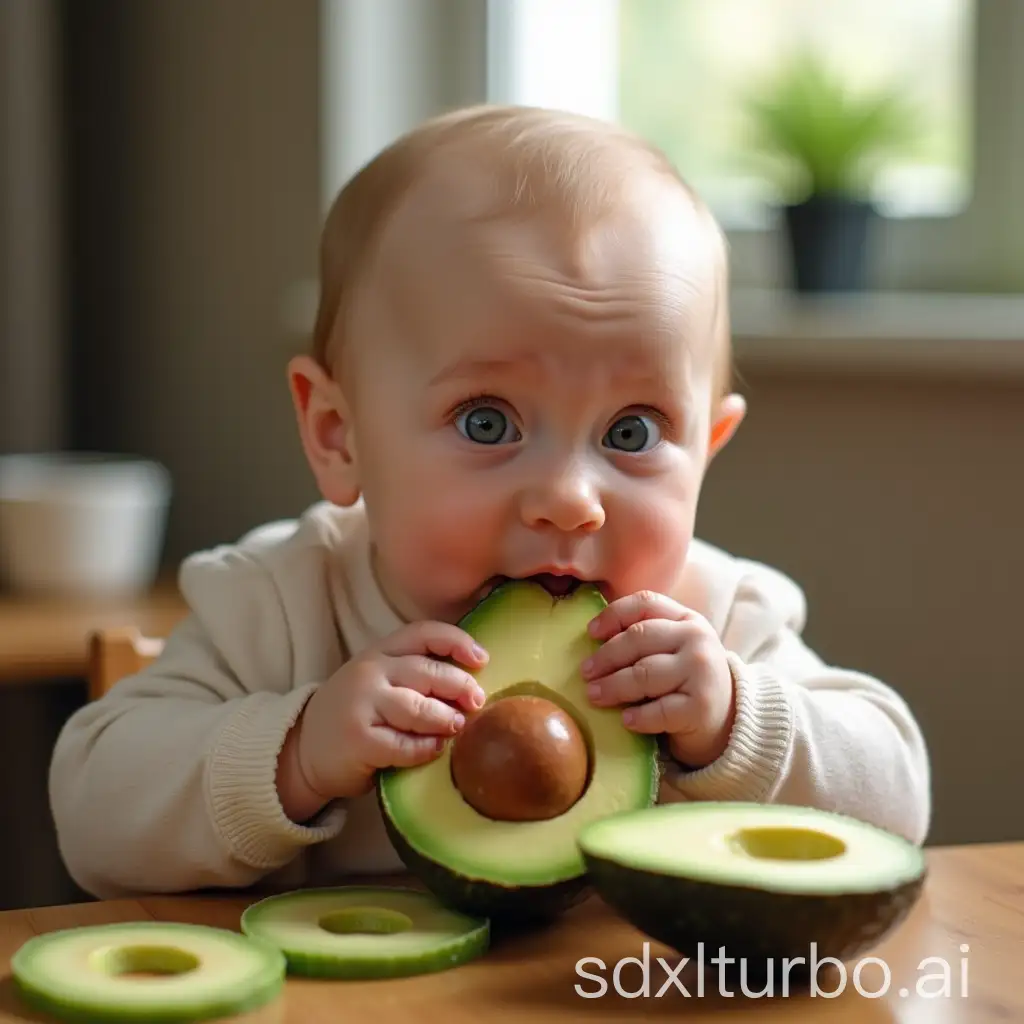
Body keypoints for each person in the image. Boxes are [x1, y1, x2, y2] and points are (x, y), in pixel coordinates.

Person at [48, 105, 931, 901]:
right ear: (337, 433)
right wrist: (298, 750)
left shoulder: (714, 623)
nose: (569, 501)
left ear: (707, 452)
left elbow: (898, 806)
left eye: (631, 434)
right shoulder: (275, 607)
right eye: (486, 421)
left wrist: (738, 723)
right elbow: (93, 816)